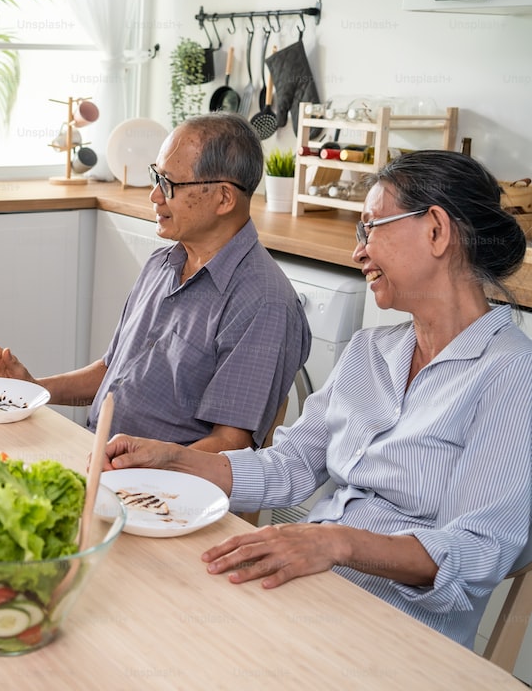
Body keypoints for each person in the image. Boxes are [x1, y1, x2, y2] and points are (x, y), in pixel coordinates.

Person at [103, 150, 532, 649]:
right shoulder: (373, 351)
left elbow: (477, 554)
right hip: (307, 590)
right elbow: (289, 467)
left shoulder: (511, 373)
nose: (359, 252)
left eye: (370, 227)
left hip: (394, 635)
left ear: (436, 230)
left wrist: (336, 541)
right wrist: (176, 460)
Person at [0, 112, 310, 451]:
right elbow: (111, 372)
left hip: (162, 491)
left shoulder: (263, 303)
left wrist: (139, 463)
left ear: (223, 198)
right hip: (99, 458)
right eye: (156, 177)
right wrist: (31, 389)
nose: (155, 196)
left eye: (170, 184)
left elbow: (229, 447)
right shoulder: (162, 264)